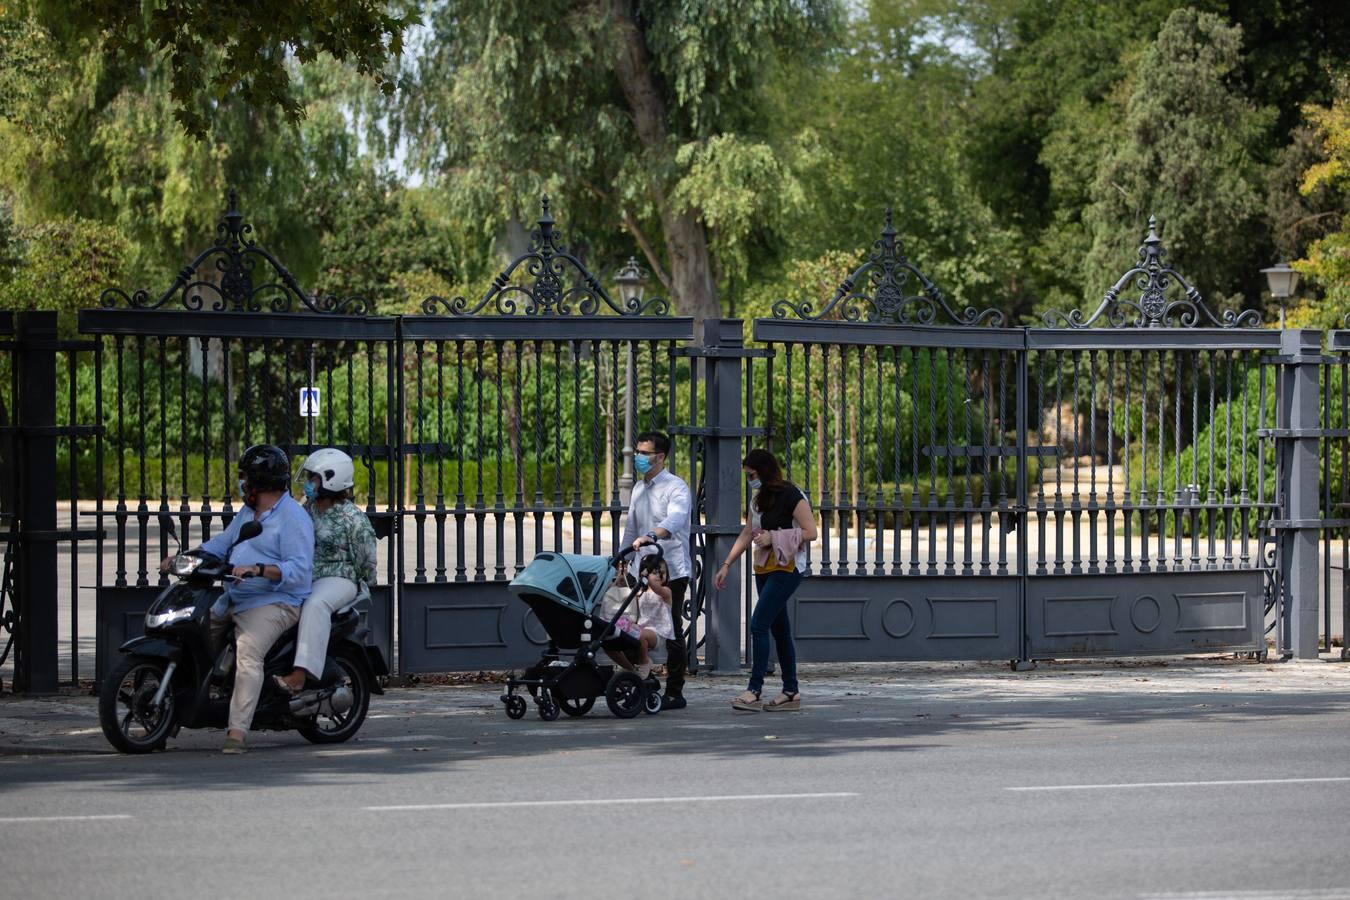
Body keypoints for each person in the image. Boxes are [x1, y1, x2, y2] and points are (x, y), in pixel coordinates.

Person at [162, 444, 313, 753]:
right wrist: (185, 557)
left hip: (274, 602)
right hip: (234, 595)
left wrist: (259, 569)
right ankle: (174, 711)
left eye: (245, 478)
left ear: (260, 481)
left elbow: (300, 570)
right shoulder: (248, 512)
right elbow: (222, 543)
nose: (241, 483)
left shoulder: (293, 518)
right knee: (189, 634)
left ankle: (237, 733)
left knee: (247, 653)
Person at [713, 448, 817, 712]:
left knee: (759, 624)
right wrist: (726, 564)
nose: (750, 480)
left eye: (752, 474)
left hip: (788, 567)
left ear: (765, 471)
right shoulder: (758, 499)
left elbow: (811, 531)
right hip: (765, 567)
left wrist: (775, 537)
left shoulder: (792, 494)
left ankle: (754, 690)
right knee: (779, 629)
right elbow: (748, 532)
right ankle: (791, 692)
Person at [272, 447, 377, 698]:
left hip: (340, 577)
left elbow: (366, 559)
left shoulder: (352, 519)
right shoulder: (308, 508)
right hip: (309, 574)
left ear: (332, 478)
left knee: (315, 604)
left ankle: (299, 676)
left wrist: (364, 581)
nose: (308, 484)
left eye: (313, 478)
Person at [620, 430, 692, 710]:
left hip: (670, 569)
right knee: (631, 627)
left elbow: (675, 518)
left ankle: (675, 691)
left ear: (660, 457)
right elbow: (631, 528)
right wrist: (622, 557)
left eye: (644, 453)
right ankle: (643, 674)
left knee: (672, 628)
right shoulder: (639, 489)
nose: (638, 457)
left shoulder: (676, 487)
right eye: (637, 452)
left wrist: (653, 534)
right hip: (641, 569)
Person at [607, 555, 676, 678]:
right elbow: (620, 594)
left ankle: (645, 661)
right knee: (609, 640)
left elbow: (656, 588)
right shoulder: (640, 591)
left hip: (658, 632)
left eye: (663, 573)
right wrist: (619, 580)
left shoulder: (666, 592)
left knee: (640, 634)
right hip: (641, 628)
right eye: (656, 572)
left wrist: (647, 576)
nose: (660, 575)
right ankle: (630, 670)